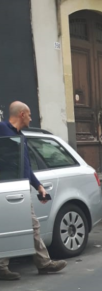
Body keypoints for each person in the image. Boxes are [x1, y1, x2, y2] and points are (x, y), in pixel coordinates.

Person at [0, 101, 67, 280]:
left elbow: (26, 167)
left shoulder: (20, 136)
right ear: (22, 114)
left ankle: (43, 264)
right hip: (5, 189)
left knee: (30, 226)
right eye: (29, 114)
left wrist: (39, 187)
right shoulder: (2, 129)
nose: (31, 118)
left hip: (18, 189)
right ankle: (4, 266)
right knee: (6, 226)